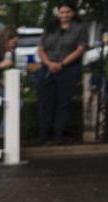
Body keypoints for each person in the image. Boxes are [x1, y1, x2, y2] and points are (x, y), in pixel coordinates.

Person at [36, 1, 89, 144]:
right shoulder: (50, 27)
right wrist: (49, 63)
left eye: (67, 12)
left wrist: (62, 64)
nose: (64, 15)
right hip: (47, 68)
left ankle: (58, 135)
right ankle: (43, 135)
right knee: (45, 102)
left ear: (73, 13)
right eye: (62, 12)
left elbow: (80, 49)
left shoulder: (80, 28)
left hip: (68, 69)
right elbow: (41, 48)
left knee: (63, 102)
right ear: (58, 13)